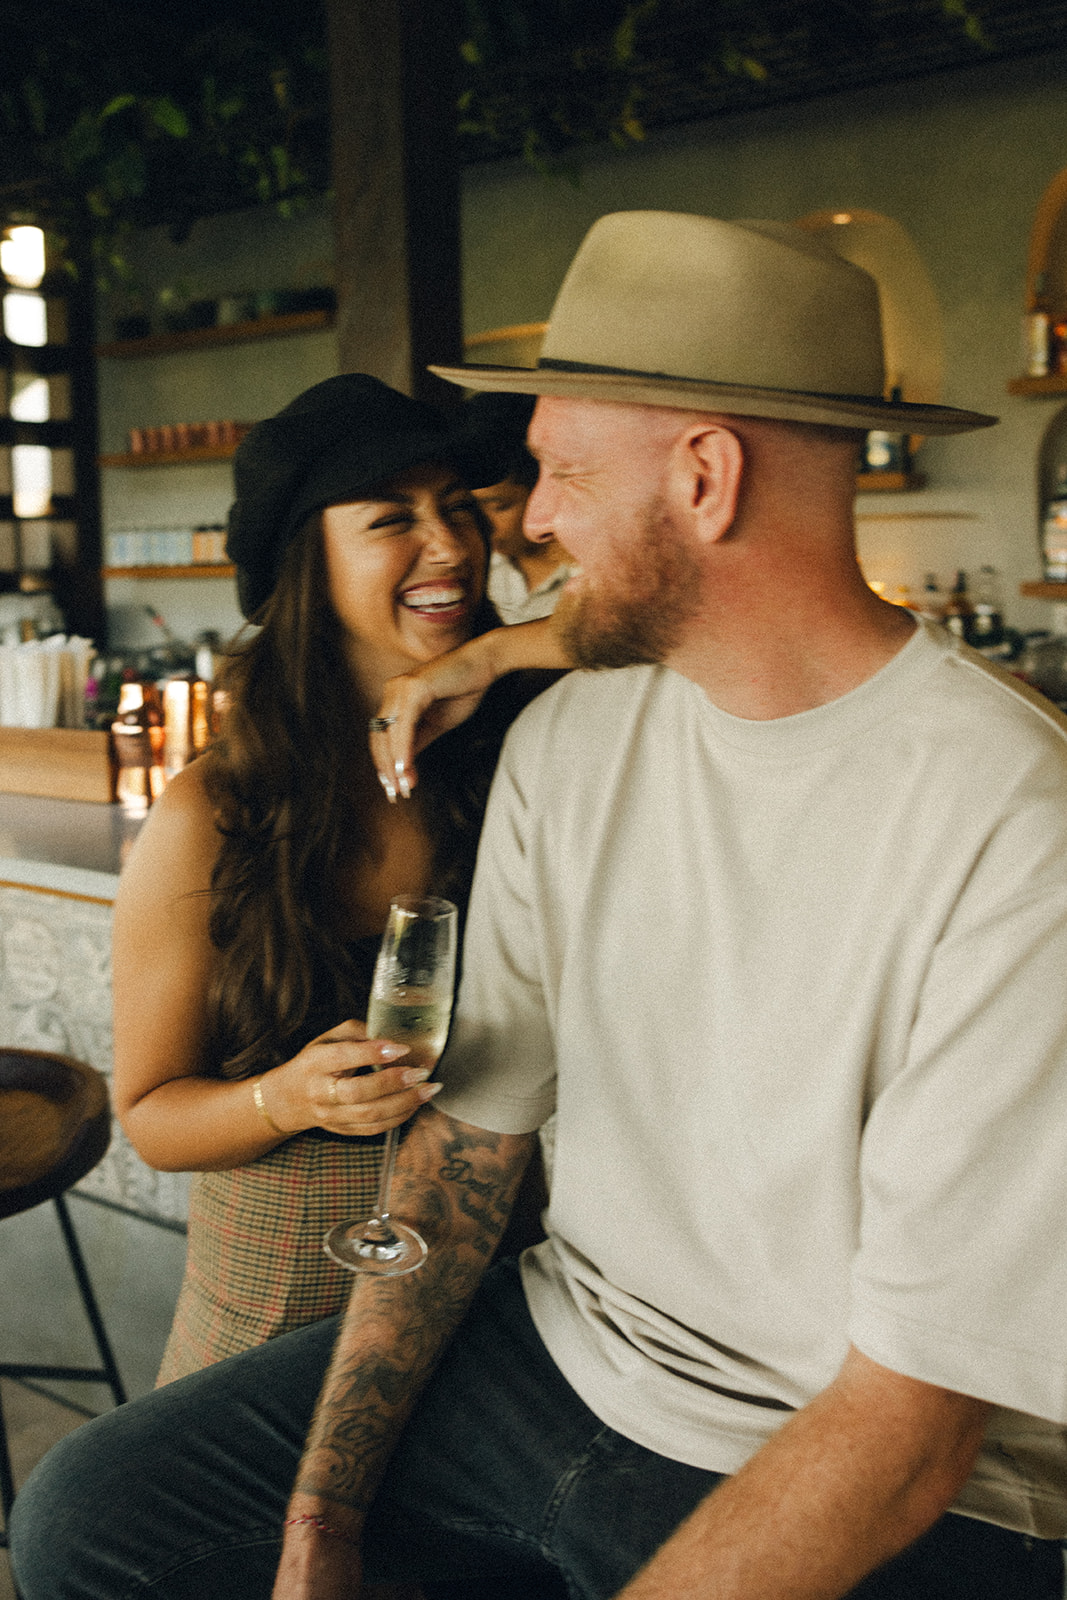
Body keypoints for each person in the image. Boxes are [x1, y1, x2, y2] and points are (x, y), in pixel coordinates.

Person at [11, 213, 1067, 1600]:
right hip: (559, 1353)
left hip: (855, 1444)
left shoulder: (1009, 820)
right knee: (95, 1516)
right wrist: (319, 1514)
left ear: (703, 476)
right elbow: (465, 1160)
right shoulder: (569, 742)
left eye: (558, 471)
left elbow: (912, 1423)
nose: (532, 519)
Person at [110, 372, 555, 1383]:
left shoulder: (519, 748)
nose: (449, 545)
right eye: (393, 517)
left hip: (487, 1293)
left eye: (458, 508)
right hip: (274, 1307)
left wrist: (492, 659)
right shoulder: (207, 816)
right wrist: (288, 1095)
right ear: (305, 559)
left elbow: (673, 636)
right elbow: (150, 1116)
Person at [456, 391, 577, 624]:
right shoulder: (471, 567)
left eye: (499, 506)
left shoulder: (591, 573)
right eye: (464, 507)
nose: (482, 525)